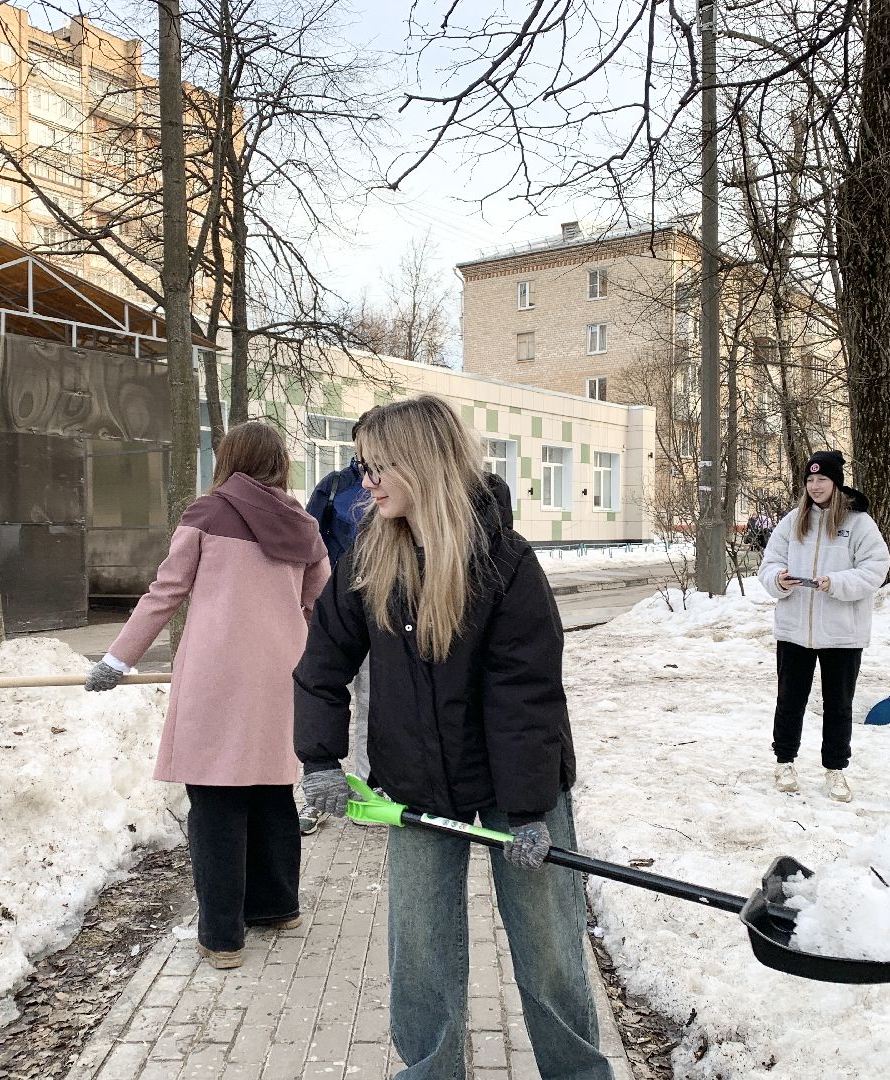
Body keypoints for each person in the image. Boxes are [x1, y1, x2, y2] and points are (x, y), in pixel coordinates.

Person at [293, 395, 613, 1080]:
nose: (367, 482)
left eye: (380, 467)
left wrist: (530, 813)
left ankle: (579, 1073)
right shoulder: (371, 558)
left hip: (517, 790)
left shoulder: (504, 562)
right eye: (363, 467)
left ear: (423, 464)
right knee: (421, 952)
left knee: (548, 949)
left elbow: (526, 695)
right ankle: (431, 1072)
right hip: (416, 784)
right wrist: (319, 758)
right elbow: (321, 664)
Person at [84, 422, 329, 970]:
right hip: (281, 675)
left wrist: (117, 658)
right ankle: (278, 907)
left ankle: (222, 937)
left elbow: (165, 591)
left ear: (230, 459)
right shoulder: (304, 525)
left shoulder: (208, 512)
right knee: (272, 790)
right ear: (280, 462)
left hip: (217, 676)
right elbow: (320, 602)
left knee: (217, 801)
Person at [757, 450, 890, 803]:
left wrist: (836, 582)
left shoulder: (858, 523)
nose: (815, 486)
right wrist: (778, 580)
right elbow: (768, 564)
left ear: (836, 483)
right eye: (810, 480)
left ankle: (835, 770)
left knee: (838, 704)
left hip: (842, 633)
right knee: (790, 700)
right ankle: (784, 762)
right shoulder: (792, 522)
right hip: (794, 629)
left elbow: (876, 567)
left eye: (822, 480)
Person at [298, 410, 378, 834]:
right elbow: (310, 543)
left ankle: (366, 788)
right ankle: (314, 796)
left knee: (371, 702)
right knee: (322, 694)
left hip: (380, 608)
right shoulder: (334, 487)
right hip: (334, 609)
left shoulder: (395, 483)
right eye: (365, 444)